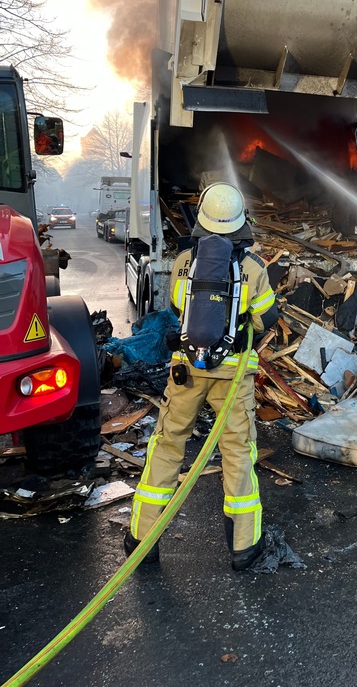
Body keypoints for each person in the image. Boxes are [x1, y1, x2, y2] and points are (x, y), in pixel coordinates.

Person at [124, 183, 278, 570]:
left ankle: (142, 540)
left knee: (167, 445)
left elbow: (179, 307)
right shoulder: (255, 268)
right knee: (238, 453)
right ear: (240, 222)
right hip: (233, 376)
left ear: (203, 220)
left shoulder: (183, 262)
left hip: (187, 371)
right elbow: (266, 319)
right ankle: (244, 547)